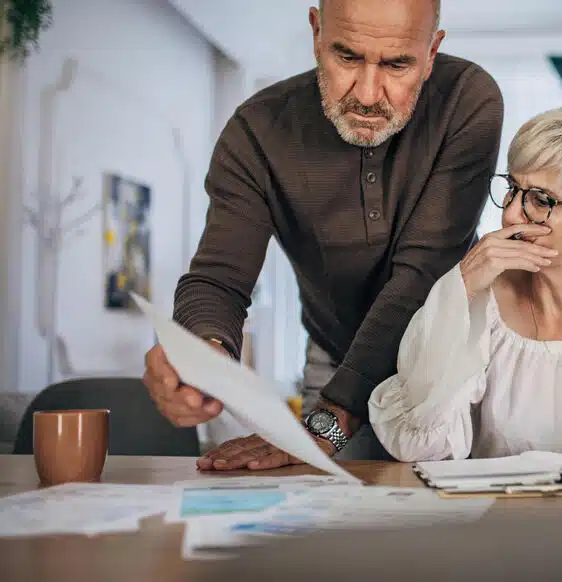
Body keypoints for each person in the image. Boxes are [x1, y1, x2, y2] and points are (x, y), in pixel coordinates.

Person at [142, 0, 504, 469]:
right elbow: (218, 278)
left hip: (449, 367)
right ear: (316, 32)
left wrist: (334, 417)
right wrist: (203, 353)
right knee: (325, 527)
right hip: (333, 360)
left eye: (397, 64)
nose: (369, 94)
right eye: (348, 57)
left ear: (432, 51)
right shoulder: (257, 131)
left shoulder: (467, 99)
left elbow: (423, 275)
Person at [368, 104, 562, 462]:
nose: (508, 215)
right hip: (498, 518)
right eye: (512, 188)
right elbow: (420, 445)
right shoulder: (478, 304)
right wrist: (460, 287)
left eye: (541, 200)